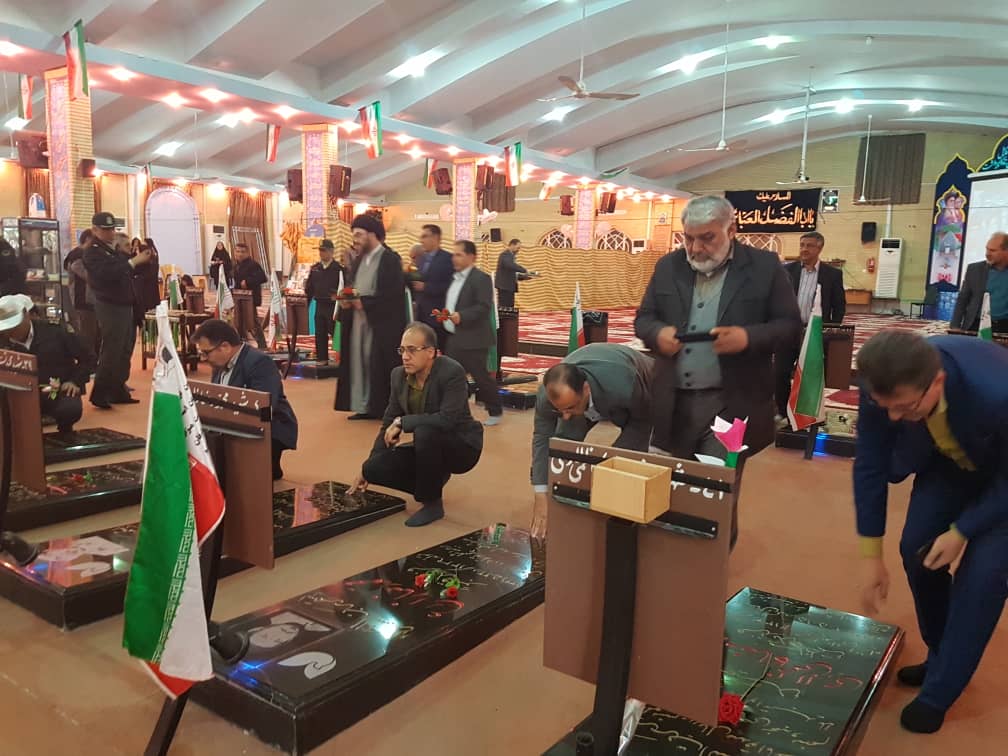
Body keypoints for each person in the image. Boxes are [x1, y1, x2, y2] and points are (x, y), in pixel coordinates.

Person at [854, 330, 1008, 734]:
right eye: (885, 407)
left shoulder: (996, 393)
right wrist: (871, 555)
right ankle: (943, 655)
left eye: (904, 407)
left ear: (936, 382)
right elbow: (870, 463)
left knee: (982, 579)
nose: (892, 418)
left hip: (1003, 476)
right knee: (917, 551)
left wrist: (962, 530)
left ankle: (940, 692)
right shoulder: (881, 382)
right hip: (948, 462)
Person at [634, 195, 801, 547]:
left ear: (732, 230)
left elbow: (789, 327)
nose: (696, 248)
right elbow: (644, 319)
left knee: (716, 494)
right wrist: (656, 333)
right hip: (674, 404)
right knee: (673, 487)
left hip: (731, 406)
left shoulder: (764, 267)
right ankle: (676, 559)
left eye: (707, 238)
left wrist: (747, 338)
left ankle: (712, 565)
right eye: (688, 238)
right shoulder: (668, 267)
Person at [348, 322, 483, 527]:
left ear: (430, 352)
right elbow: (388, 421)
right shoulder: (398, 376)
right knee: (373, 468)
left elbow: (447, 419)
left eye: (412, 350)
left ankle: (432, 503)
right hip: (427, 446)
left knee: (424, 431)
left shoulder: (452, 372)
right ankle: (432, 481)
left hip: (462, 446)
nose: (405, 356)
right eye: (402, 350)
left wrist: (403, 422)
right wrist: (366, 468)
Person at [529, 343, 654, 539]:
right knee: (563, 449)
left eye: (569, 407)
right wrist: (540, 493)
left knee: (623, 462)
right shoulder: (548, 395)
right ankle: (565, 505)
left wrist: (617, 465)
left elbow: (643, 423)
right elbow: (542, 440)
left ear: (586, 389)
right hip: (593, 395)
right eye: (560, 410)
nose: (565, 416)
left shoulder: (623, 385)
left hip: (646, 385)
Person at [192, 319, 298, 480]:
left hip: (271, 427)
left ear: (225, 346)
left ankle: (268, 465)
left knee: (244, 477)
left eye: (206, 353)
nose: (203, 358)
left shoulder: (259, 362)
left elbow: (265, 406)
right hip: (231, 424)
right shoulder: (219, 363)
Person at [334, 214, 406, 420]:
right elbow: (353, 287)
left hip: (381, 325)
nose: (355, 240)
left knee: (377, 365)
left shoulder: (390, 259)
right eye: (354, 235)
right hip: (358, 322)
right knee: (359, 363)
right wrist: (347, 301)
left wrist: (363, 303)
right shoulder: (359, 260)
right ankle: (364, 405)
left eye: (359, 234)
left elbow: (393, 296)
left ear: (372, 234)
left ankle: (382, 407)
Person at [83, 212, 152, 409]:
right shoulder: (92, 252)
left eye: (112, 229)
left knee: (124, 349)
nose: (111, 232)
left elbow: (129, 270)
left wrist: (142, 259)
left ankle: (117, 389)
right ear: (95, 230)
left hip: (125, 303)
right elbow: (108, 273)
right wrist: (132, 262)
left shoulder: (110, 250)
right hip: (110, 305)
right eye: (106, 229)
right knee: (112, 349)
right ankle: (100, 393)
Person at [775, 231, 846, 420]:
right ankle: (782, 411)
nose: (804, 249)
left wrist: (828, 331)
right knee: (779, 372)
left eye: (809, 246)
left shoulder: (832, 274)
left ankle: (806, 414)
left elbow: (839, 306)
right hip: (788, 331)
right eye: (802, 245)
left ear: (819, 248)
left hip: (814, 332)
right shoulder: (787, 271)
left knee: (810, 376)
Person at [0, 294, 95, 434]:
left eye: (14, 326)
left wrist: (74, 381)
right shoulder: (3, 340)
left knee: (69, 409)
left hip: (53, 391)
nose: (10, 332)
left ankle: (65, 429)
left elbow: (88, 358)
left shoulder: (55, 331)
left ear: (26, 315)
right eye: (5, 329)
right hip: (16, 396)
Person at [443, 239, 502, 426]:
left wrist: (462, 316)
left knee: (481, 377)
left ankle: (495, 411)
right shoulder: (454, 278)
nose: (454, 258)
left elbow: (483, 307)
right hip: (454, 337)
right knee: (450, 376)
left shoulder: (481, 278)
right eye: (453, 254)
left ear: (471, 257)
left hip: (474, 338)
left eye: (459, 254)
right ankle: (456, 412)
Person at [950, 231, 1008, 333]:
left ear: (1006, 251)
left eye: (993, 250)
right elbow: (962, 299)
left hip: (1005, 326)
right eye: (987, 249)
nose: (987, 254)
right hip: (976, 325)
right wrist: (955, 326)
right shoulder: (974, 269)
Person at [413, 224, 454, 350]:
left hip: (438, 315)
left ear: (435, 238)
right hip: (421, 315)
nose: (421, 240)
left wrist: (426, 287)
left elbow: (450, 286)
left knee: (440, 349)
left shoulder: (448, 259)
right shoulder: (421, 259)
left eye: (425, 236)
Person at [304, 239, 344, 365]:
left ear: (331, 252)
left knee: (336, 332)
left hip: (333, 306)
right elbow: (309, 288)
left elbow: (344, 287)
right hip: (320, 305)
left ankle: (342, 358)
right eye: (320, 250)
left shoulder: (339, 269)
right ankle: (322, 359)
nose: (321, 253)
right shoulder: (315, 269)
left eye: (324, 250)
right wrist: (307, 303)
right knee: (320, 333)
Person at [63, 230, 100, 355]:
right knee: (87, 334)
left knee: (94, 333)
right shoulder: (77, 255)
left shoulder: (84, 254)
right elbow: (83, 273)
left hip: (91, 300)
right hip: (83, 300)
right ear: (88, 239)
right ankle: (88, 361)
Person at [232, 242, 268, 346]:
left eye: (242, 252)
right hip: (238, 298)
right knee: (239, 323)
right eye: (238, 251)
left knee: (252, 323)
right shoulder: (236, 265)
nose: (240, 254)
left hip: (250, 299)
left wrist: (248, 281)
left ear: (247, 253)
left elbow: (263, 278)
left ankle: (262, 345)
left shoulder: (253, 264)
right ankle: (240, 344)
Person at [494, 238, 531, 308]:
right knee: (505, 307)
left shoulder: (511, 256)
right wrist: (524, 270)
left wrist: (524, 277)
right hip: (504, 286)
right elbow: (510, 265)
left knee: (510, 306)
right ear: (512, 245)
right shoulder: (505, 254)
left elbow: (511, 272)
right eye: (517, 248)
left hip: (508, 286)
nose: (518, 250)